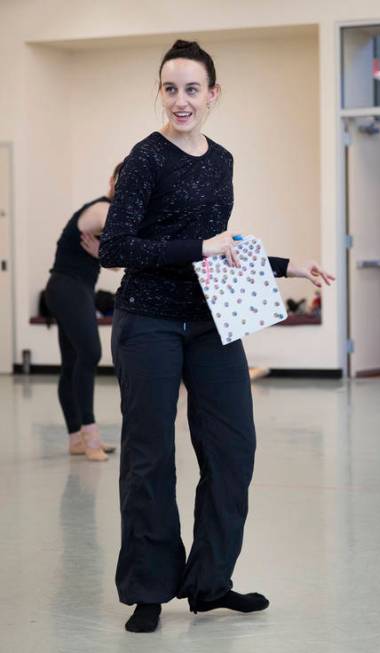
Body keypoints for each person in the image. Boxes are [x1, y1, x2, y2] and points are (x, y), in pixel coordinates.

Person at [99, 39, 335, 633]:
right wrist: (199, 247)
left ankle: (209, 583)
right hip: (147, 320)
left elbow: (219, 251)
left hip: (210, 322)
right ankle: (149, 590)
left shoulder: (221, 159)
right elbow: (115, 249)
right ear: (161, 92)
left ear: (213, 93)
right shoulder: (145, 159)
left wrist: (287, 264)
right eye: (171, 88)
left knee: (232, 451)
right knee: (151, 456)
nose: (182, 100)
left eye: (193, 88)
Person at [44, 163, 124, 461]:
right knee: (90, 353)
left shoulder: (113, 217)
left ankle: (76, 438)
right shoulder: (101, 209)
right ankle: (90, 438)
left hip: (75, 290)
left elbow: (117, 263)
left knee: (73, 363)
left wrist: (101, 253)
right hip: (67, 287)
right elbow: (110, 233)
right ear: (111, 181)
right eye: (122, 181)